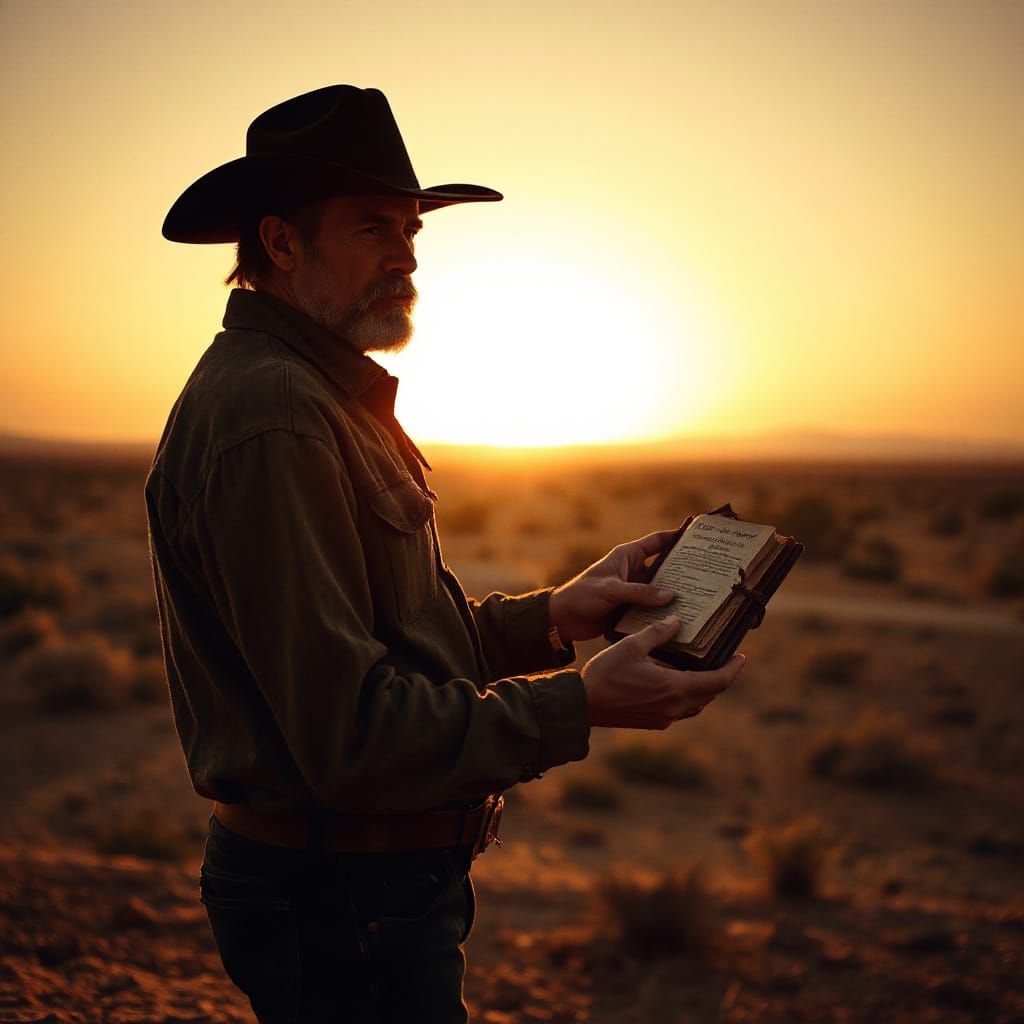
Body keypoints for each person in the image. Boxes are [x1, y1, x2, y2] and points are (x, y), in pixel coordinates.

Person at [146, 84, 745, 1024]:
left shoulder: (319, 393)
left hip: (365, 890)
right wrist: (582, 703)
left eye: (412, 229)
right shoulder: (276, 413)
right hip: (338, 900)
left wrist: (556, 616)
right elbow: (351, 735)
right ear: (281, 242)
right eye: (373, 227)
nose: (407, 256)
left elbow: (389, 641)